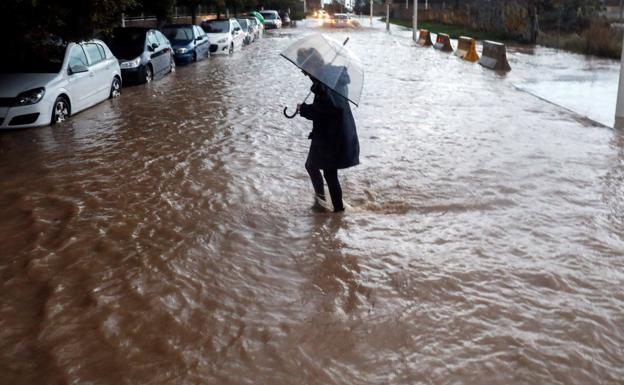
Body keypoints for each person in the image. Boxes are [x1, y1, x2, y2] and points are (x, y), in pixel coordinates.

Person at [295, 49, 359, 213]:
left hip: (332, 134)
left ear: (311, 64)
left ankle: (333, 209)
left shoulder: (327, 81)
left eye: (303, 67)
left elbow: (331, 107)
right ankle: (326, 206)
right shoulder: (327, 77)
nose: (303, 72)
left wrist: (305, 109)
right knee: (316, 167)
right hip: (330, 132)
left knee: (325, 171)